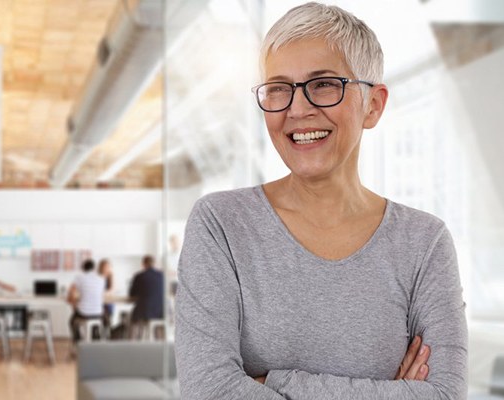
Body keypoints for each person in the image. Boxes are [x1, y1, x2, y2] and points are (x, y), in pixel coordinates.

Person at [175, 3, 467, 399]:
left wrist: (277, 382)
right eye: (279, 88)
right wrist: (389, 393)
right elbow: (209, 391)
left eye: (324, 84)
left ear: (374, 105)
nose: (297, 109)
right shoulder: (221, 225)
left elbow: (446, 394)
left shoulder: (424, 242)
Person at [67, 259, 105, 342]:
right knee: (97, 321)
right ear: (94, 268)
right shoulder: (101, 279)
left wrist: (74, 305)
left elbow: (71, 292)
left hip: (84, 313)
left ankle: (78, 341)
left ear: (83, 269)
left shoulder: (79, 277)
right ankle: (95, 340)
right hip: (98, 313)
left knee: (72, 321)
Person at [128, 255, 164, 339]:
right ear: (154, 264)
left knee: (133, 320)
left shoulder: (139, 276)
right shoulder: (162, 276)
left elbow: (132, 294)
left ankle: (132, 344)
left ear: (143, 264)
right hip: (160, 311)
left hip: (144, 311)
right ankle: (160, 342)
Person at [98, 258, 114, 327]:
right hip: (99, 303)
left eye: (108, 267)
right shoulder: (97, 277)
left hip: (107, 303)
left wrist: (102, 293)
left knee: (107, 314)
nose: (107, 269)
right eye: (105, 267)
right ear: (101, 268)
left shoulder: (110, 276)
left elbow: (112, 290)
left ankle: (107, 332)